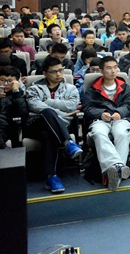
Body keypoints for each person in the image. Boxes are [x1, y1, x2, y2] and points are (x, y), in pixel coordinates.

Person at [25, 56, 82, 193]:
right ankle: (68, 143)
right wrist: (60, 113)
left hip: (59, 126)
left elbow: (72, 105)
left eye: (60, 70)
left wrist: (48, 102)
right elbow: (34, 106)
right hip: (37, 124)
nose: (59, 74)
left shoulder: (71, 88)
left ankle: (52, 177)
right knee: (47, 113)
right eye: (54, 71)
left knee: (48, 134)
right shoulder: (34, 88)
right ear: (45, 73)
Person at [82, 56, 130, 191]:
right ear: (101, 71)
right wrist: (100, 113)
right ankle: (119, 167)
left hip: (120, 119)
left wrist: (119, 112)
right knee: (98, 133)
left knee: (122, 133)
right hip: (100, 119)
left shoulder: (125, 87)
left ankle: (113, 175)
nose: (113, 71)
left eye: (115, 67)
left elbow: (128, 105)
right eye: (109, 68)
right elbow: (87, 108)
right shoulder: (93, 89)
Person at [0, 66, 28, 149]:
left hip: (9, 126)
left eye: (10, 81)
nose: (5, 84)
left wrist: (16, 92)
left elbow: (22, 112)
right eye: (2, 80)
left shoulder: (20, 94)